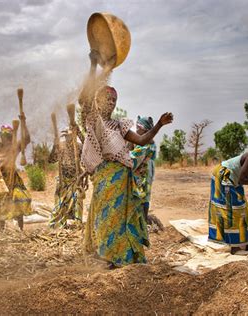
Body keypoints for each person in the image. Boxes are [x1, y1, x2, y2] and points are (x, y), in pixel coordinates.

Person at [80, 50, 174, 267]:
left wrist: (159, 124)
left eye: (114, 99)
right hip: (104, 178)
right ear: (99, 100)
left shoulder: (119, 125)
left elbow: (141, 140)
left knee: (119, 218)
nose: (111, 102)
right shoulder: (95, 121)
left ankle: (121, 257)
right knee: (105, 216)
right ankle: (105, 254)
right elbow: (85, 99)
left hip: (122, 178)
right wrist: (94, 65)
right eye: (107, 98)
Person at [0, 122, 32, 231]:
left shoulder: (14, 148)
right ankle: (2, 228)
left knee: (19, 198)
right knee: (0, 203)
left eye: (8, 137)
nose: (6, 139)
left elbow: (27, 139)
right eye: (4, 136)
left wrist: (24, 122)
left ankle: (21, 228)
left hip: (13, 180)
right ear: (1, 137)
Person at [130, 116, 163, 231]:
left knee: (140, 197)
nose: (136, 131)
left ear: (146, 130)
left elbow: (131, 159)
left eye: (139, 128)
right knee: (145, 197)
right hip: (147, 173)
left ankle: (141, 224)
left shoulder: (143, 146)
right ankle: (142, 223)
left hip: (142, 175)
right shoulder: (151, 144)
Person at [48, 129, 84, 227]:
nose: (68, 138)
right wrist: (54, 146)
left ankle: (78, 223)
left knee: (77, 198)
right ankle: (59, 223)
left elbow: (86, 158)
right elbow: (51, 160)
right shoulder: (60, 146)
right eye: (66, 136)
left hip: (76, 179)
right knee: (60, 203)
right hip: (63, 179)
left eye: (70, 136)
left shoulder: (80, 146)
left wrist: (85, 178)